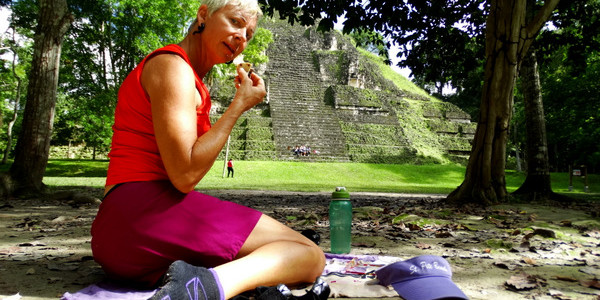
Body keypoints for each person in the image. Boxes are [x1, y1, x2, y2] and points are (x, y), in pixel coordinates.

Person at [90, 1, 326, 299]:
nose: (242, 37)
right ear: (204, 14)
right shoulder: (172, 66)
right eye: (236, 22)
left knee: (282, 256)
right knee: (310, 255)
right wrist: (238, 105)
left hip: (126, 234)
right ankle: (201, 289)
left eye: (249, 34)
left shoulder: (189, 76)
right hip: (140, 214)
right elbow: (185, 174)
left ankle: (203, 280)